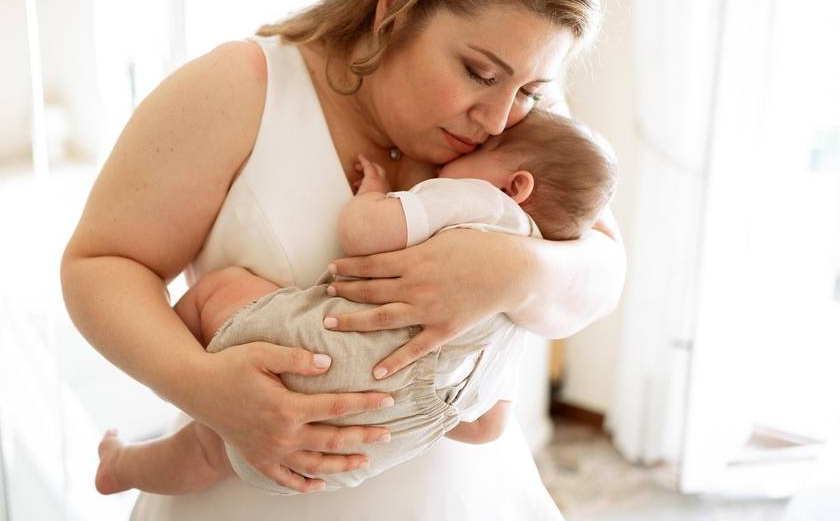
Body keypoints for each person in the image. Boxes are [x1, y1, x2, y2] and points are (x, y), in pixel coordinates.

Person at [60, 0, 626, 518]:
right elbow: (101, 264)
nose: (498, 118)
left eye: (530, 89)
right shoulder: (240, 88)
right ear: (396, 7)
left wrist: (518, 272)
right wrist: (206, 391)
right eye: (478, 73)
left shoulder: (525, 123)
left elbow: (605, 271)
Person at [92, 108, 618, 497]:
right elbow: (487, 426)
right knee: (211, 452)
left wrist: (377, 194)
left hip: (327, 358)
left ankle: (171, 411)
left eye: (476, 155)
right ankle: (125, 466)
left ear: (516, 184)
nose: (461, 156)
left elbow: (363, 231)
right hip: (379, 432)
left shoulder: (483, 201)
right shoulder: (532, 272)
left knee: (218, 294)